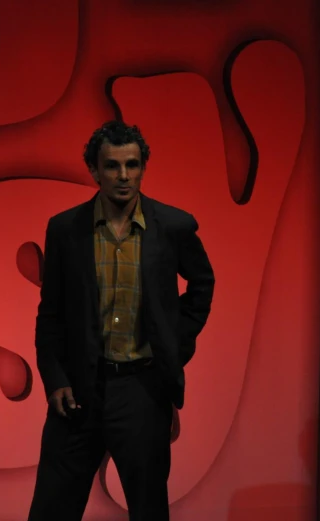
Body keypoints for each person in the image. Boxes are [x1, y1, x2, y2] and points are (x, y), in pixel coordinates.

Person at [27, 120, 215, 521]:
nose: (123, 176)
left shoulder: (174, 226)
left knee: (148, 510)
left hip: (142, 391)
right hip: (78, 391)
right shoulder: (65, 230)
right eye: (112, 166)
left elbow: (203, 285)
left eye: (132, 164)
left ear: (143, 166)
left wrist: (172, 349)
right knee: (51, 511)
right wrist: (55, 378)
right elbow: (51, 313)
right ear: (94, 171)